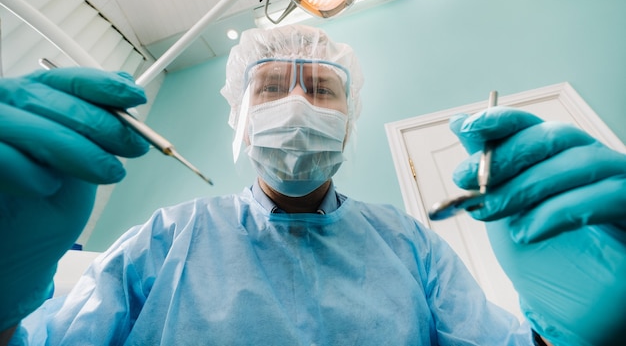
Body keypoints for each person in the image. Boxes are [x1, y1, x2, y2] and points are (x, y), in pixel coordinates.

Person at [0, 25, 623, 346]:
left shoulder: (409, 245)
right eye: (271, 87)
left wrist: (572, 334)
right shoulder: (168, 239)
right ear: (241, 117)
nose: (296, 104)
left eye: (321, 88)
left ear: (348, 119)